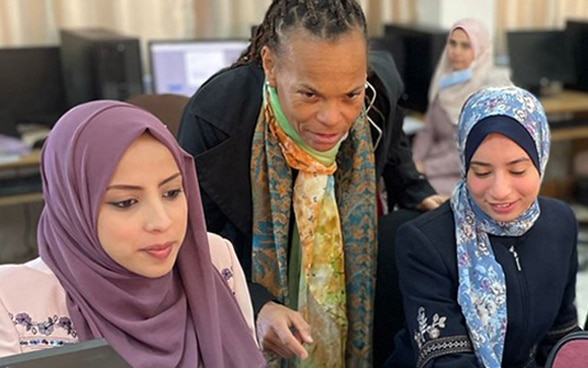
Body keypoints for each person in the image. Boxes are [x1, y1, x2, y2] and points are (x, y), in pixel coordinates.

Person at [177, 0, 446, 366]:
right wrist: (257, 304)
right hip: (248, 271)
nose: (333, 119)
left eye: (350, 94)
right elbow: (195, 242)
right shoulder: (216, 117)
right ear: (271, 65)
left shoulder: (378, 90)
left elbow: (394, 141)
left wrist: (415, 188)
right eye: (310, 94)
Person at [0, 101, 265, 367]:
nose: (161, 222)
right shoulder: (12, 302)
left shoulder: (214, 259)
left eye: (172, 192)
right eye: (126, 202)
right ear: (73, 205)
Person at [387, 86, 581, 368]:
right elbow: (448, 362)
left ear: (541, 158)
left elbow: (561, 337)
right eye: (481, 172)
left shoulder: (559, 222)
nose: (500, 191)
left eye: (517, 170)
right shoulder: (425, 242)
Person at [412, 18, 511, 196]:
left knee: (419, 195)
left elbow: (473, 151)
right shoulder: (444, 81)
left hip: (470, 172)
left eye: (466, 46)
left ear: (480, 49)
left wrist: (426, 167)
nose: (456, 52)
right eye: (453, 43)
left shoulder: (489, 93)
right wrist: (413, 163)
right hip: (434, 166)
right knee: (401, 189)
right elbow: (428, 131)